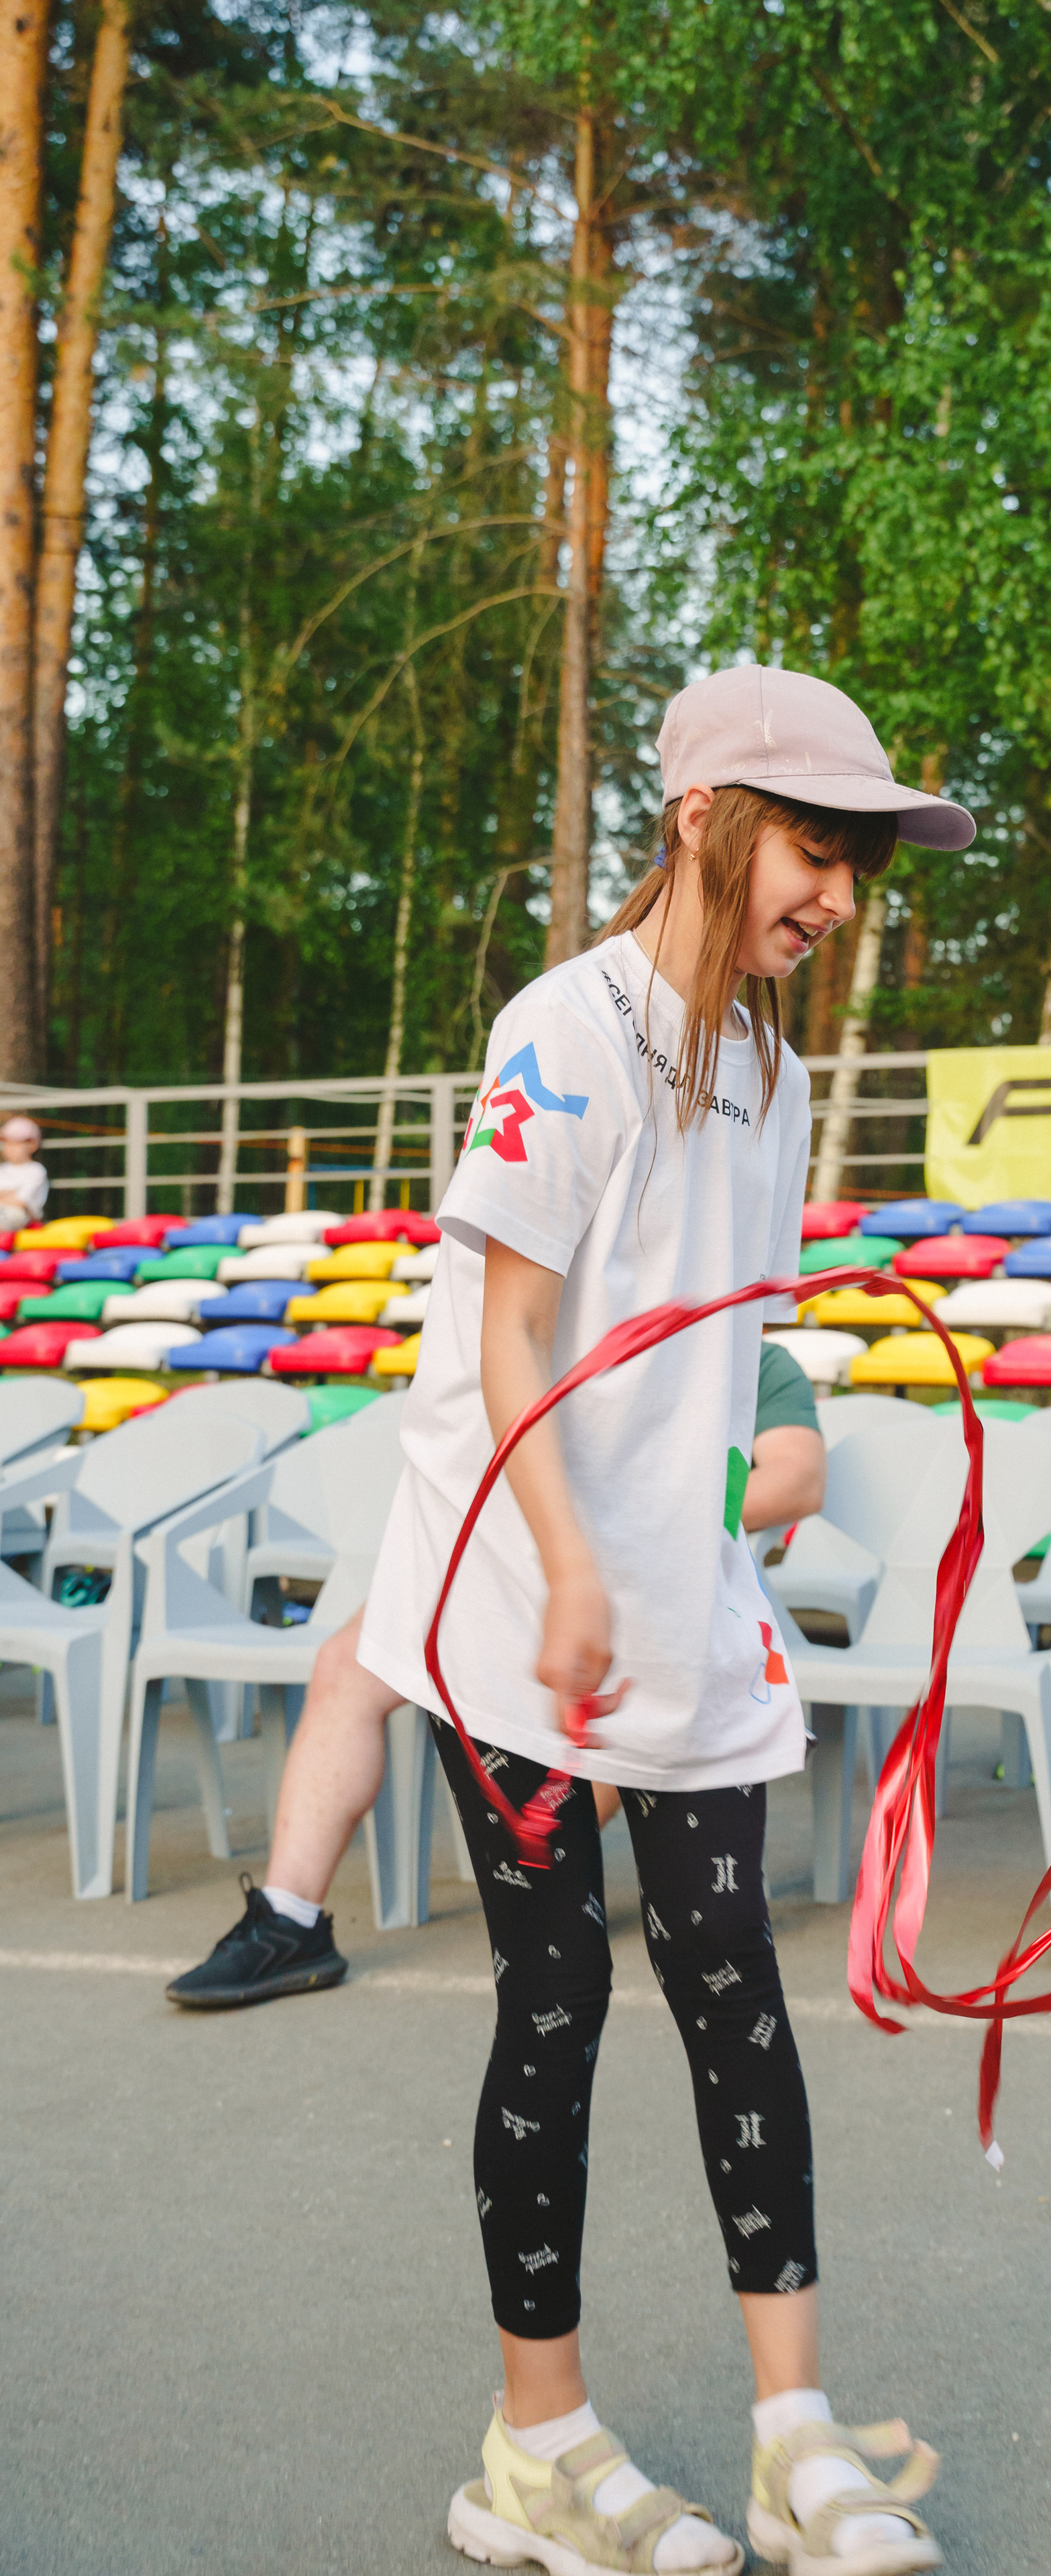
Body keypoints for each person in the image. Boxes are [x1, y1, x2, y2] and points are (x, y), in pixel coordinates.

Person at [356, 665, 972, 2576]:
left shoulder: (777, 1074)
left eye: (863, 863)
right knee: (560, 1995)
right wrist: (580, 1569)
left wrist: (705, 1545)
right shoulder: (565, 1029)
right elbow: (512, 1335)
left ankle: (797, 2430)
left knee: (737, 1989)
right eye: (819, 849)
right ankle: (534, 2450)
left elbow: (713, 1354)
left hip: (675, 1606)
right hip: (510, 1594)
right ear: (708, 816)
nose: (846, 900)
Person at [164, 1337, 829, 2009]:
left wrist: (641, 1527)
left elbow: (798, 1479)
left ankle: (547, 1912)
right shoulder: (567, 1339)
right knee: (346, 1662)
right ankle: (289, 1919)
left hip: (647, 1592)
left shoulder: (752, 1356)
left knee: (593, 1728)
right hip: (508, 1572)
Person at [0, 1115, 50, 1231]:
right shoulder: (2, 1169)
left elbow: (22, 1202)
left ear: (33, 1145)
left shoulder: (36, 1171)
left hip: (25, 1222)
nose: (10, 1147)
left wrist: (6, 1195)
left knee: (14, 1214)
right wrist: (12, 1194)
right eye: (7, 1142)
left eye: (17, 1143)